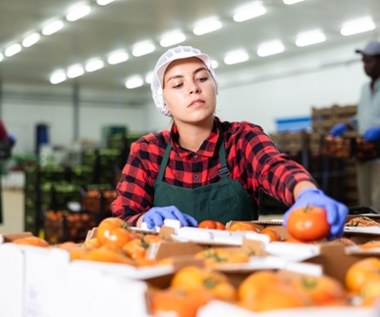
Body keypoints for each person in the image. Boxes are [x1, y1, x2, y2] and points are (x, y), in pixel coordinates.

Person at [111, 45, 348, 239]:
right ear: (162, 100)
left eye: (202, 78)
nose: (194, 88)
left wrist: (306, 194)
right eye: (178, 84)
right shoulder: (148, 151)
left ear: (215, 86)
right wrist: (144, 220)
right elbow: (122, 218)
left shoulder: (242, 138)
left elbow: (275, 167)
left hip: (239, 267)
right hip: (167, 271)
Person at [330, 40, 380, 210]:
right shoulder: (365, 88)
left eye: (368, 61)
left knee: (379, 200)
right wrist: (347, 125)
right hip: (364, 152)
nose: (364, 66)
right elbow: (361, 116)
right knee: (366, 203)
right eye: (363, 61)